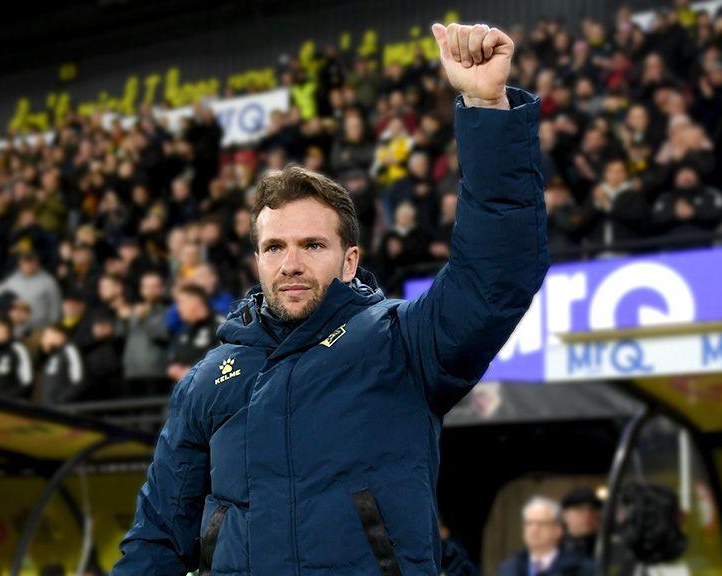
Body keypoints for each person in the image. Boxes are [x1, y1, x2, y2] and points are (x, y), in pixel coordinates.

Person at [112, 23, 549, 576]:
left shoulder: (401, 342)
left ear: (348, 260)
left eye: (312, 244)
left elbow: (498, 273)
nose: (290, 262)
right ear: (258, 260)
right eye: (274, 246)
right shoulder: (207, 380)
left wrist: (485, 106)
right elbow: (155, 541)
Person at [496, 496, 592, 576]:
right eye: (529, 523)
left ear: (558, 530)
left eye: (541, 524)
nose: (534, 530)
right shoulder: (508, 568)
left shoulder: (581, 569)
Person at [0, 314, 34, 399]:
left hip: (11, 406)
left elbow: (27, 383)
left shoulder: (18, 349)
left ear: (4, 329)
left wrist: (5, 399)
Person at [37, 323, 86, 405]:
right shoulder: (53, 355)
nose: (43, 340)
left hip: (61, 409)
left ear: (59, 335)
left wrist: (59, 402)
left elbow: (78, 381)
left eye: (47, 336)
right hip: (48, 407)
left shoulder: (70, 350)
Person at [559, 487, 602, 560]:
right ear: (564, 514)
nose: (587, 515)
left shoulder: (607, 546)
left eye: (593, 509)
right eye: (579, 509)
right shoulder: (553, 547)